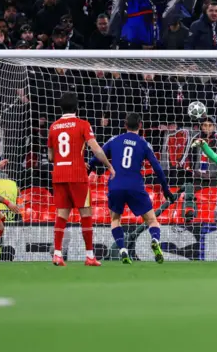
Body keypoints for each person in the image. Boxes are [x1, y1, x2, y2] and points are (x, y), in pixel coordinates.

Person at [88, 113, 175, 264]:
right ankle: (155, 240)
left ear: (124, 125)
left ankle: (122, 250)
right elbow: (158, 169)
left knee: (115, 220)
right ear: (140, 126)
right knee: (152, 221)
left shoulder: (114, 140)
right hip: (135, 186)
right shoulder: (144, 144)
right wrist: (166, 189)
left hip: (115, 185)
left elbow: (96, 158)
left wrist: (87, 171)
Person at [47, 92, 114, 267]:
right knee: (85, 214)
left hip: (59, 174)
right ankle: (90, 256)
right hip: (77, 175)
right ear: (77, 107)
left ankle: (57, 254)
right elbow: (97, 149)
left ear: (61, 107)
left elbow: (50, 157)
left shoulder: (53, 127)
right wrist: (109, 166)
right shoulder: (83, 124)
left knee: (62, 215)